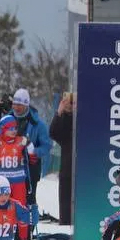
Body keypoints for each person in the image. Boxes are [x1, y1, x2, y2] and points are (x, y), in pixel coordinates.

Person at [48, 92, 74, 224]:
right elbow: (53, 132)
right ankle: (65, 225)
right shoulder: (65, 119)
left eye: (74, 103)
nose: (72, 106)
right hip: (67, 169)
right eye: (70, 103)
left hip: (83, 170)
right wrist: (59, 113)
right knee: (65, 204)